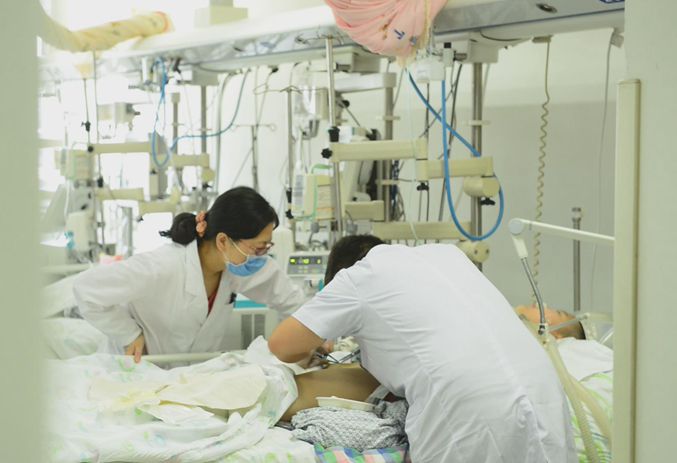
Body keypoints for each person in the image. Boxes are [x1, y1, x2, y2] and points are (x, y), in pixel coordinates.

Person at [268, 235, 577, 463]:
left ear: (335, 278)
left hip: (469, 408)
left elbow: (282, 346)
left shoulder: (358, 277)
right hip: (543, 393)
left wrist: (317, 343)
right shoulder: (447, 255)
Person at [73, 186, 305, 362]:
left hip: (184, 381)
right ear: (223, 241)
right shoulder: (163, 266)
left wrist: (308, 342)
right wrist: (129, 334)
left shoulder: (234, 267)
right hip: (130, 372)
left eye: (266, 248)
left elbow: (291, 300)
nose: (261, 257)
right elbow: (86, 288)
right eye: (258, 248)